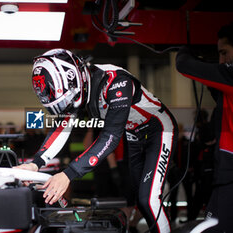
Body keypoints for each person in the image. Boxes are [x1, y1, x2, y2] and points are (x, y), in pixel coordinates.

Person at [17, 49, 178, 233]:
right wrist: (35, 164)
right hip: (134, 134)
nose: (68, 106)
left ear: (76, 78)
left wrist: (68, 174)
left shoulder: (117, 82)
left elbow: (110, 136)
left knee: (148, 200)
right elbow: (62, 126)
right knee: (138, 200)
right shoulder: (79, 87)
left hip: (159, 129)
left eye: (69, 99)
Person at [176, 22, 233, 232]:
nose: (221, 60)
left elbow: (184, 66)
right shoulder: (225, 88)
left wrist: (184, 50)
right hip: (224, 175)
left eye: (224, 52)